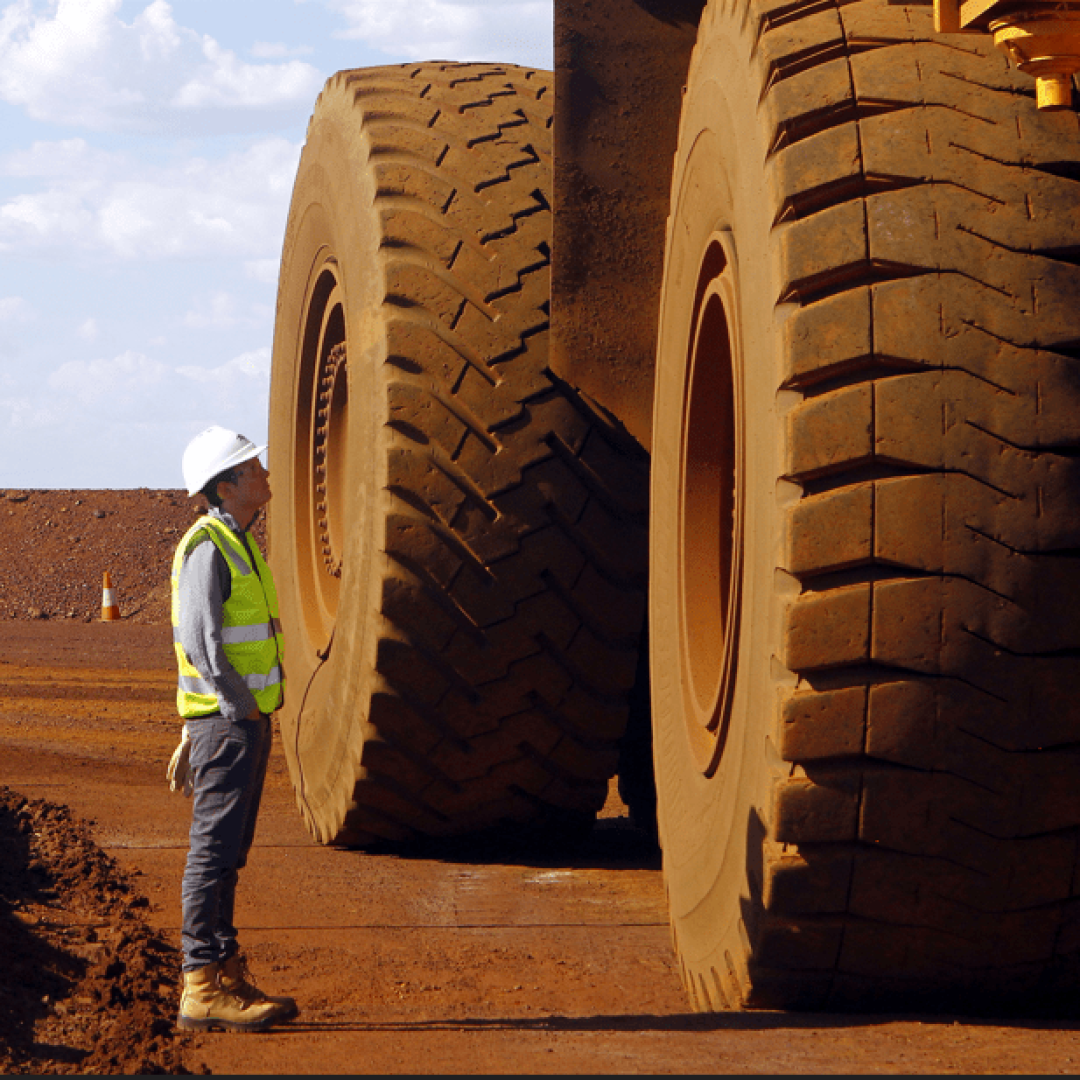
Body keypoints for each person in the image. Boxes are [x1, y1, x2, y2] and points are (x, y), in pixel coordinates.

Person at [165, 425, 297, 1033]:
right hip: (228, 723)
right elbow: (201, 640)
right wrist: (236, 704)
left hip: (243, 720)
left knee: (228, 857)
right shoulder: (209, 545)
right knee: (211, 857)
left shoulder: (239, 541)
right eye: (255, 468)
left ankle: (225, 971)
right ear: (227, 484)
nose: (265, 476)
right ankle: (200, 986)